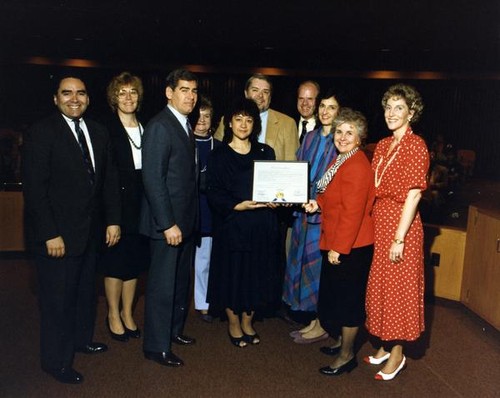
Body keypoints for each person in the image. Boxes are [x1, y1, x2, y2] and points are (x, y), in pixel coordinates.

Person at [22, 75, 121, 384]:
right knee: (57, 302)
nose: (74, 98)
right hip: (57, 238)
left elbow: (107, 182)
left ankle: (81, 340)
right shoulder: (41, 133)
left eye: (80, 93)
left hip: (90, 234)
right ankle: (56, 362)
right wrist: (50, 233)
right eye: (67, 93)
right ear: (56, 99)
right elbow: (35, 190)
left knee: (83, 295)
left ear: (89, 99)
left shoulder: (99, 132)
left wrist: (114, 220)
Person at [365, 83, 430, 381]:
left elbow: (414, 195)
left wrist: (399, 238)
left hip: (401, 225)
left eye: (399, 108)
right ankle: (383, 342)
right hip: (382, 221)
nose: (391, 113)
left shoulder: (416, 146)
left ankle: (398, 355)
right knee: (381, 286)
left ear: (411, 113)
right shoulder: (382, 144)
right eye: (388, 107)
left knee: (398, 292)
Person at [304, 108, 375, 376]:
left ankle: (347, 356)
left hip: (351, 246)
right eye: (339, 132)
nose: (343, 137)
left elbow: (353, 212)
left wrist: (338, 248)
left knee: (349, 303)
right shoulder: (342, 159)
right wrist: (317, 203)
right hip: (339, 240)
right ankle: (341, 343)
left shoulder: (356, 165)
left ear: (359, 138)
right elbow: (333, 195)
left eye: (350, 133)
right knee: (339, 297)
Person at [206, 98, 280, 348]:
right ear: (229, 122)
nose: (243, 124)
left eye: (249, 120)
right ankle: (234, 322)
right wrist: (237, 205)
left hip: (261, 226)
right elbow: (213, 192)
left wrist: (277, 199)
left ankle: (249, 320)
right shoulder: (218, 155)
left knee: (256, 275)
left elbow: (275, 188)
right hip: (232, 225)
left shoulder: (265, 152)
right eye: (238, 119)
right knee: (232, 275)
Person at [139, 69, 198, 367]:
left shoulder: (183, 125)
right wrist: (167, 224)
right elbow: (153, 179)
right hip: (168, 225)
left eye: (194, 90)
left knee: (177, 284)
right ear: (169, 92)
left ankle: (172, 332)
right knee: (162, 286)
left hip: (184, 223)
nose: (190, 96)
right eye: (184, 89)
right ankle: (155, 346)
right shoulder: (160, 126)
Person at [284, 89, 340, 343]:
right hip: (303, 213)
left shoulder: (340, 142)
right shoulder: (310, 137)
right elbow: (297, 170)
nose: (325, 111)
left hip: (324, 215)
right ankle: (312, 320)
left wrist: (319, 201)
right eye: (323, 107)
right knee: (301, 264)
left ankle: (321, 323)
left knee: (318, 270)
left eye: (331, 107)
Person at [99, 72, 149, 341]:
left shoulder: (147, 127)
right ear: (113, 97)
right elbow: (105, 177)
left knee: (134, 263)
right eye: (122, 93)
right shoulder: (105, 129)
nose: (128, 97)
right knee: (115, 264)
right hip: (117, 207)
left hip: (142, 206)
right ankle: (113, 314)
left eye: (133, 92)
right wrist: (111, 219)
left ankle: (128, 313)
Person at [214, 73, 298, 161]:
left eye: (265, 92)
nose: (260, 95)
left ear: (270, 97)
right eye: (255, 90)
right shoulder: (228, 119)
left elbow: (292, 165)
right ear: (246, 93)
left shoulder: (287, 124)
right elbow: (217, 154)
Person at [192, 95, 221, 322]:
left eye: (207, 116)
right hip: (190, 210)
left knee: (206, 260)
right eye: (198, 116)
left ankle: (204, 303)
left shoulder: (219, 148)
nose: (202, 121)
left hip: (211, 211)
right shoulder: (183, 142)